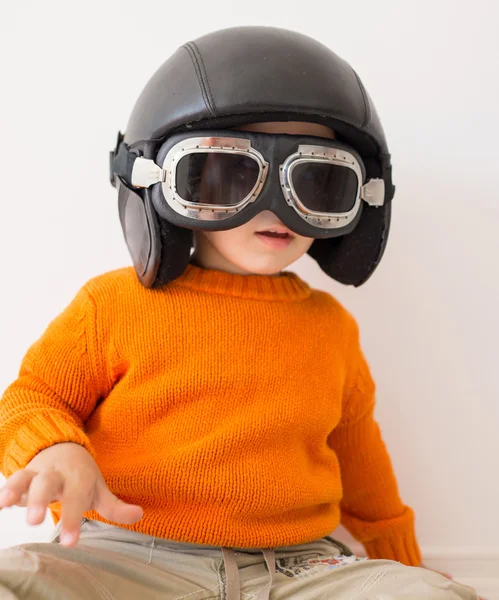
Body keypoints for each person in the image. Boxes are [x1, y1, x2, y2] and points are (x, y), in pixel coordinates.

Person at [0, 26, 479, 600]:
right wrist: (57, 447)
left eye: (316, 182)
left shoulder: (331, 326)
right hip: (127, 557)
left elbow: (365, 476)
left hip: (301, 569)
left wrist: (408, 569)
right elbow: (33, 396)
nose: (276, 206)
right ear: (161, 177)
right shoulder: (113, 304)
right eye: (232, 172)